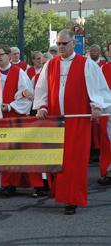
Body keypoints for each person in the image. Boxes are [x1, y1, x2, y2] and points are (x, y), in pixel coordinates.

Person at [34, 30, 111, 215]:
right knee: (57, 159)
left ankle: (73, 199)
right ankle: (60, 193)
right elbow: (41, 88)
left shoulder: (87, 65)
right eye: (58, 44)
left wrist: (97, 106)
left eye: (64, 44)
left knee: (75, 161)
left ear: (73, 43)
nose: (60, 47)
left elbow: (99, 89)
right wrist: (42, 107)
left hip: (77, 121)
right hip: (56, 121)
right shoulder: (50, 65)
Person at [0, 44, 45, 197]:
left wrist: (9, 107)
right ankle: (8, 184)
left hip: (16, 117)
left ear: (9, 56)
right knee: (5, 152)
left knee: (23, 152)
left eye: (1, 54)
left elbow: (26, 96)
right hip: (0, 119)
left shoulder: (19, 72)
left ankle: (39, 185)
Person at [98, 41, 111, 186]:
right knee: (107, 141)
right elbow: (99, 90)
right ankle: (108, 171)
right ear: (108, 53)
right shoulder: (103, 69)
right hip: (109, 109)